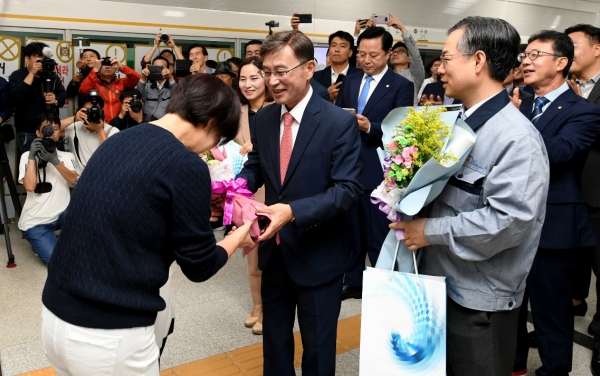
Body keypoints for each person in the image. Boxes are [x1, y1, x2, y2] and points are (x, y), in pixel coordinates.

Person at [41, 74, 256, 374]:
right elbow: (199, 265)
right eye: (217, 140)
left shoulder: (120, 140)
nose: (209, 149)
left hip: (55, 315)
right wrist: (239, 236)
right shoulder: (186, 163)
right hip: (108, 335)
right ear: (210, 122)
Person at [392, 17, 550, 376]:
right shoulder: (458, 121)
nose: (440, 68)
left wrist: (427, 230)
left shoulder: (514, 138)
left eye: (447, 59)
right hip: (441, 284)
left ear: (478, 61)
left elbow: (508, 222)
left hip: (479, 302)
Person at [237, 30, 362, 375]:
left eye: (282, 71)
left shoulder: (338, 123)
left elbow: (348, 190)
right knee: (274, 347)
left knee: (319, 350)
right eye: (267, 72)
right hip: (274, 253)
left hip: (318, 253)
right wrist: (233, 189)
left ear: (309, 68)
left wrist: (293, 212)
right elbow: (256, 166)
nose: (272, 81)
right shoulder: (263, 117)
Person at [512, 30, 600, 376]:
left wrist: (515, 124)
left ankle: (555, 370)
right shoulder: (519, 99)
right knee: (512, 304)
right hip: (510, 217)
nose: (526, 61)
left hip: (554, 222)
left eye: (536, 55)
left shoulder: (583, 111)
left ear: (561, 63)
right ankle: (514, 361)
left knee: (550, 307)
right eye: (526, 55)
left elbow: (561, 153)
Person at [335, 26, 414, 300]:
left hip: (380, 169)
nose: (367, 60)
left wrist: (371, 127)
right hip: (349, 166)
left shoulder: (402, 86)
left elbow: (403, 130)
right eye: (362, 54)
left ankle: (383, 282)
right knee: (351, 229)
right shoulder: (351, 81)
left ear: (388, 53)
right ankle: (353, 280)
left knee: (377, 231)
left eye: (374, 55)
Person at [564, 23, 600, 375]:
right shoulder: (572, 88)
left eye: (573, 44)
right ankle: (569, 314)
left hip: (598, 193)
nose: (567, 51)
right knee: (570, 267)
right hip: (570, 193)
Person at [234, 57, 274, 335]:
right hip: (247, 190)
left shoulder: (278, 109)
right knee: (253, 253)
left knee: (275, 252)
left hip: (272, 188)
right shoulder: (236, 111)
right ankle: (257, 304)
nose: (248, 84)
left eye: (254, 78)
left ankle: (272, 306)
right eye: (243, 79)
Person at [18, 113, 79, 264]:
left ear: (59, 132)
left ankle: (55, 239)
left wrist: (54, 160)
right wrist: (32, 157)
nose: (51, 133)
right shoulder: (27, 156)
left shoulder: (67, 156)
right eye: (47, 129)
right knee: (58, 263)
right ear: (38, 133)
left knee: (85, 211)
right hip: (36, 222)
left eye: (56, 129)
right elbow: (30, 186)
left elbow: (74, 180)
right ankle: (41, 241)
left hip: (62, 215)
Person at [9, 41, 67, 154]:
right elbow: (16, 97)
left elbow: (62, 96)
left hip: (52, 130)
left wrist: (55, 99)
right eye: (37, 59)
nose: (41, 63)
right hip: (29, 131)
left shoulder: (52, 76)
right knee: (31, 166)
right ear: (27, 59)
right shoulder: (18, 75)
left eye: (43, 59)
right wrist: (31, 73)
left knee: (57, 164)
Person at [60, 94, 119, 171]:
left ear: (102, 111)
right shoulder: (77, 126)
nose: (92, 114)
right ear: (81, 111)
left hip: (101, 177)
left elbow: (110, 155)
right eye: (88, 111)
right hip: (80, 179)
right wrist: (74, 118)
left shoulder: (112, 131)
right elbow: (52, 130)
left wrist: (100, 130)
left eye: (95, 110)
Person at [79, 56, 141, 124]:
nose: (107, 67)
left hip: (120, 122)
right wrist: (95, 70)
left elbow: (137, 78)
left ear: (115, 68)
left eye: (110, 64)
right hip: (99, 122)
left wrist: (121, 67)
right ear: (99, 68)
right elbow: (83, 90)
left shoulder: (122, 83)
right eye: (104, 65)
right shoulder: (93, 83)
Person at [312, 30, 362, 103]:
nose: (337, 49)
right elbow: (309, 103)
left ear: (350, 53)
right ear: (329, 51)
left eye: (342, 46)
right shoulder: (316, 77)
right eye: (333, 45)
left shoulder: (360, 76)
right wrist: (326, 95)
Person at [386, 13, 426, 105]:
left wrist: (402, 28)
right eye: (394, 52)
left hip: (408, 117)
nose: (395, 53)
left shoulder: (415, 75)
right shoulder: (386, 74)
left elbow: (415, 54)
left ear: (409, 58)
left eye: (400, 51)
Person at [138, 56, 177, 122]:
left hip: (167, 124)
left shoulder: (172, 86)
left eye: (161, 67)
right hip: (149, 124)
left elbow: (178, 97)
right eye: (156, 67)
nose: (159, 70)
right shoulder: (147, 86)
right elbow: (138, 97)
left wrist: (170, 77)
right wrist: (143, 78)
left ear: (167, 69)